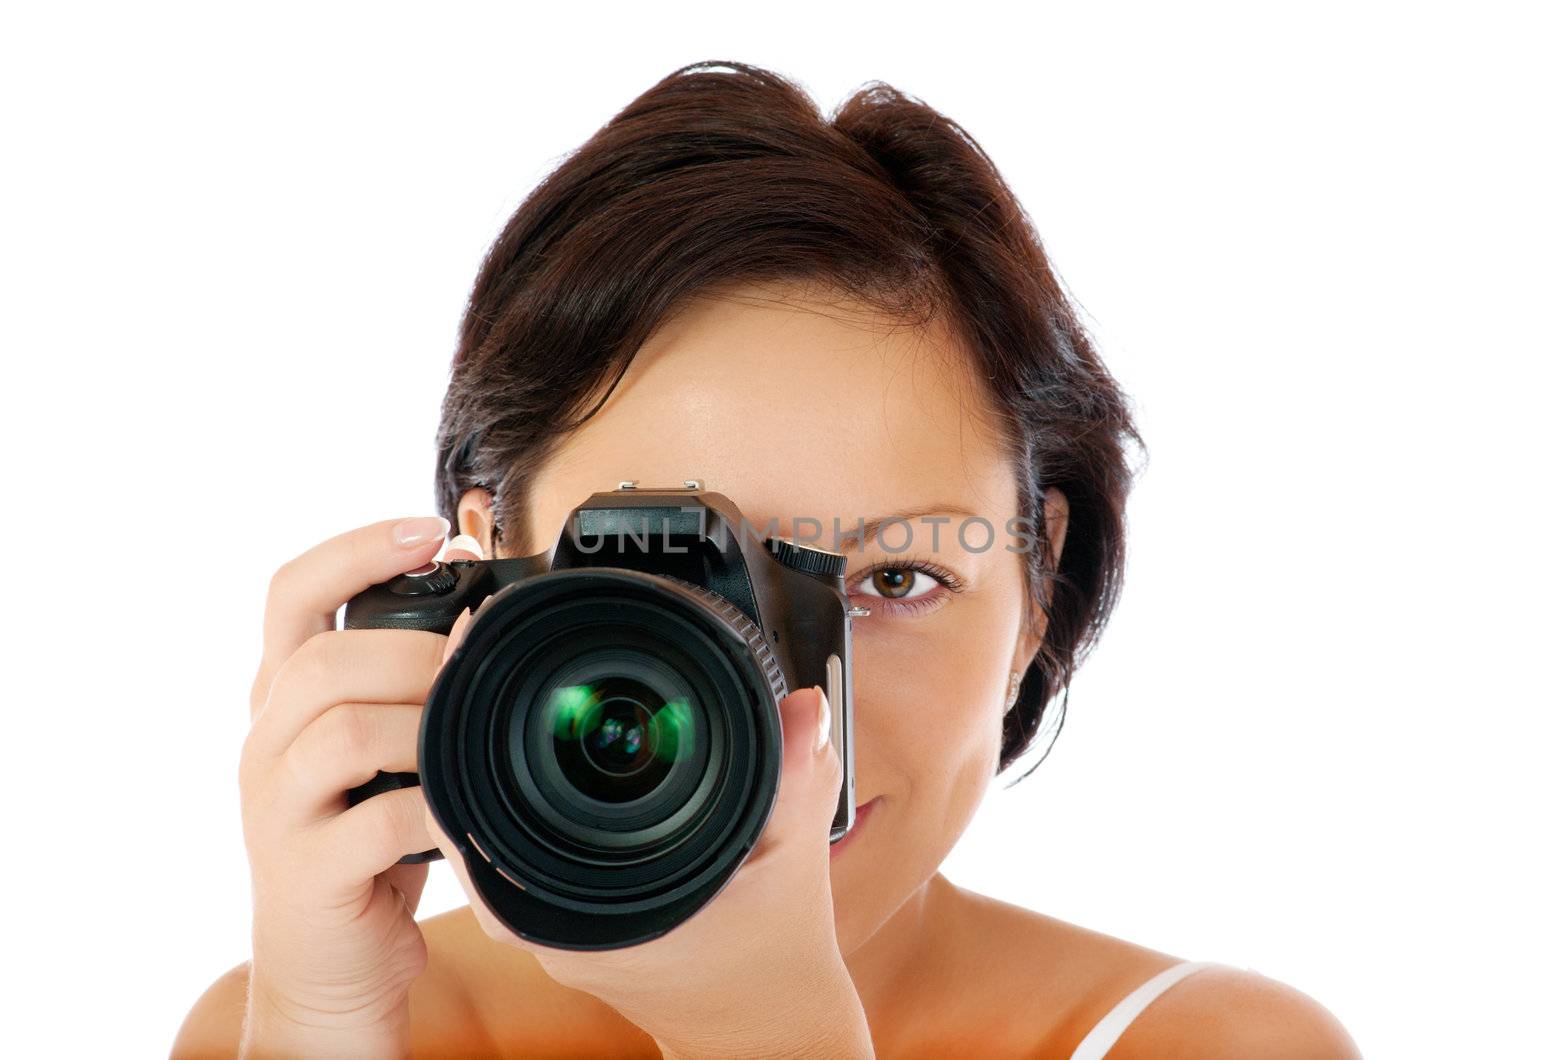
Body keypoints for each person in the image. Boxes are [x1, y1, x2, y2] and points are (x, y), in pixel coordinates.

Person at [175, 60, 1359, 1058]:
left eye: (897, 580)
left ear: (1035, 598)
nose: (795, 703)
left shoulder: (1206, 1044)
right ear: (489, 576)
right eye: (670, 579)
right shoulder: (325, 1018)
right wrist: (317, 1021)